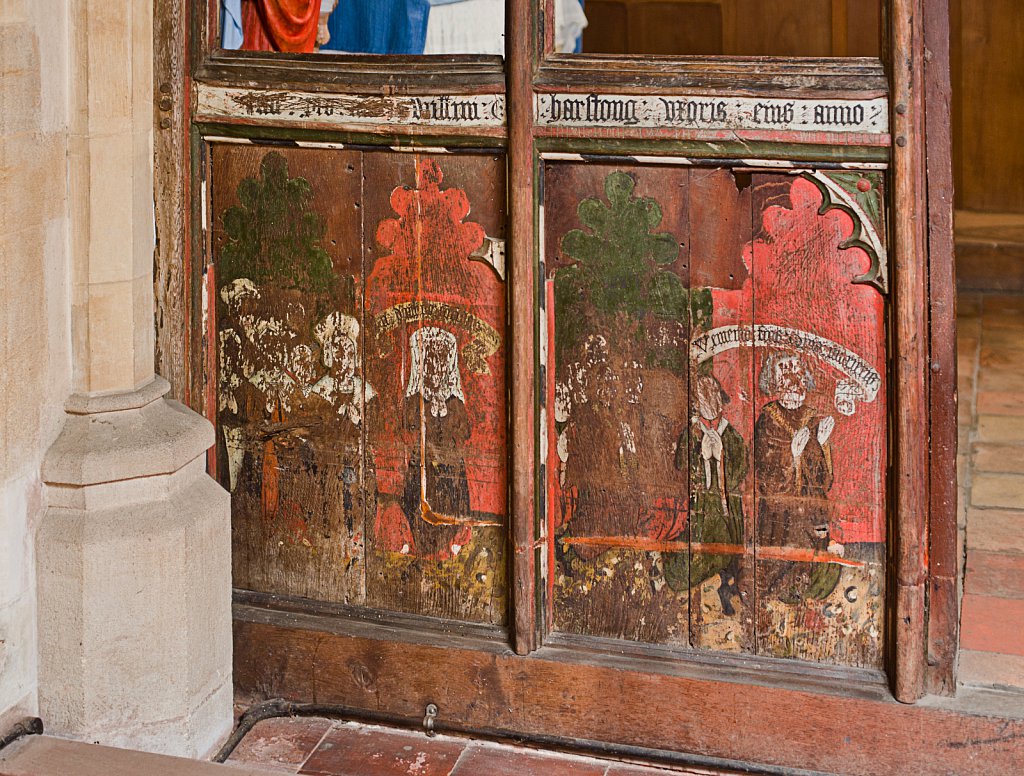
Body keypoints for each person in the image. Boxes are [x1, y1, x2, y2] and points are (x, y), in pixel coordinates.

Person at [754, 353, 842, 603]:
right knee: (785, 567)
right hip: (782, 514)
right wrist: (791, 456)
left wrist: (822, 445)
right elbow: (766, 476)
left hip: (811, 511)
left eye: (797, 375)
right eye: (784, 375)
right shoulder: (768, 420)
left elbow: (824, 482)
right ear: (774, 382)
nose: (792, 385)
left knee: (819, 566)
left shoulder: (811, 417)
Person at [663, 374, 747, 615]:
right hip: (699, 510)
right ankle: (709, 579)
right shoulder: (692, 433)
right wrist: (698, 452)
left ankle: (726, 584)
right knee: (688, 566)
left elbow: (740, 470)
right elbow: (680, 466)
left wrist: (720, 458)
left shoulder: (730, 435)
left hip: (725, 509)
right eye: (703, 398)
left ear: (720, 402)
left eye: (712, 397)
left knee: (729, 552)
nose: (709, 403)